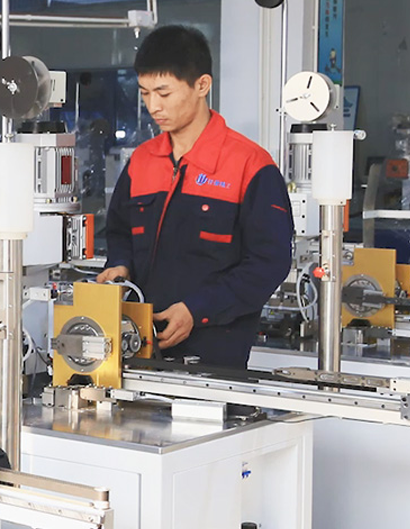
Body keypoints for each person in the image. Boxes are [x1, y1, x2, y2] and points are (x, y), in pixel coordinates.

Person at [97, 25, 294, 369]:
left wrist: (197, 310)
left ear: (202, 85)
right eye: (145, 93)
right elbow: (119, 231)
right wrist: (120, 265)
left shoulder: (250, 165)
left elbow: (269, 263)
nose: (153, 106)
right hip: (135, 346)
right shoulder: (142, 161)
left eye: (164, 93)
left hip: (214, 353)